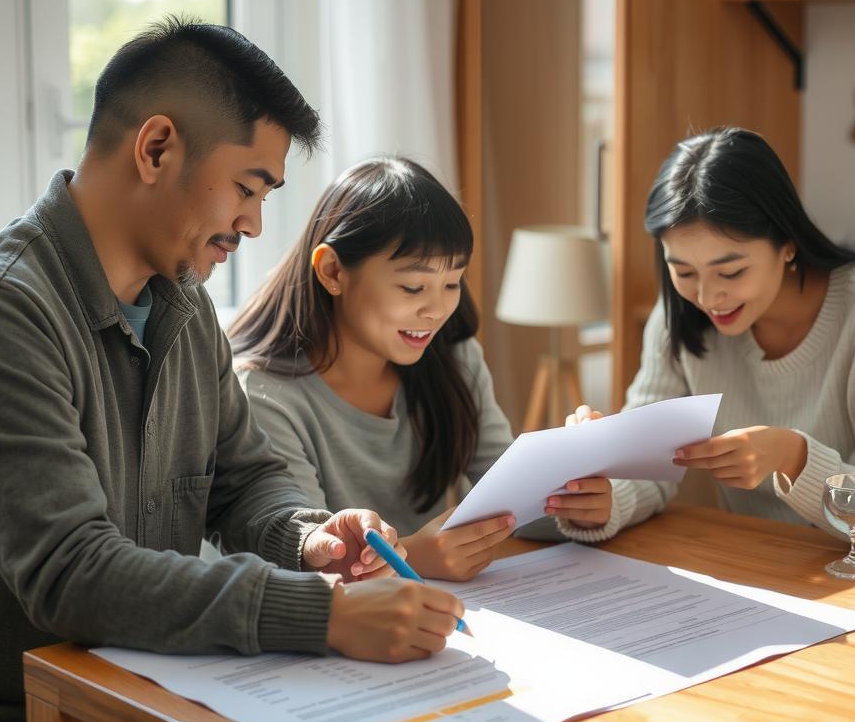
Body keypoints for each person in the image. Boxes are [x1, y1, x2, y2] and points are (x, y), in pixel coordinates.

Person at [0, 18, 465, 722]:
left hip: (156, 695)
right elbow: (72, 572)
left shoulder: (182, 307)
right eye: (248, 188)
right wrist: (319, 614)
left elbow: (244, 479)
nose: (254, 225)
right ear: (156, 149)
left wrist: (310, 539)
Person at [572, 126, 855, 558]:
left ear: (787, 245)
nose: (707, 297)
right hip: (777, 569)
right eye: (683, 272)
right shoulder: (677, 318)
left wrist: (793, 457)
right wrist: (604, 500)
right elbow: (649, 465)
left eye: (732, 271)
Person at [228, 157, 621, 582]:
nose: (436, 310)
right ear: (333, 271)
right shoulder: (265, 394)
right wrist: (412, 559)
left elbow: (510, 504)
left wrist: (577, 503)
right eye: (413, 287)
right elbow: (308, 561)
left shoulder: (455, 358)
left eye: (452, 283)